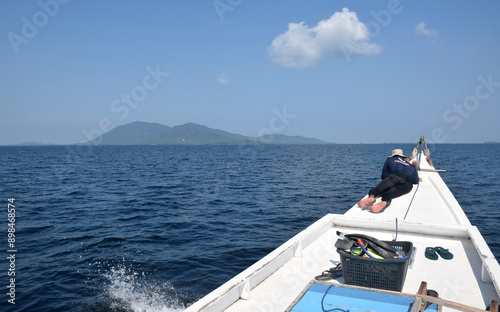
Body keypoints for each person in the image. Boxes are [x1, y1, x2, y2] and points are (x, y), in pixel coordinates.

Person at [358, 149, 419, 213]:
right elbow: (415, 181)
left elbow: (384, 176)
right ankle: (385, 202)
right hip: (408, 184)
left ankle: (371, 197)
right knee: (389, 194)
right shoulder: (411, 166)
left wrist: (389, 182)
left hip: (396, 176)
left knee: (378, 190)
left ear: (392, 155)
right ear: (403, 157)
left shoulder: (390, 160)